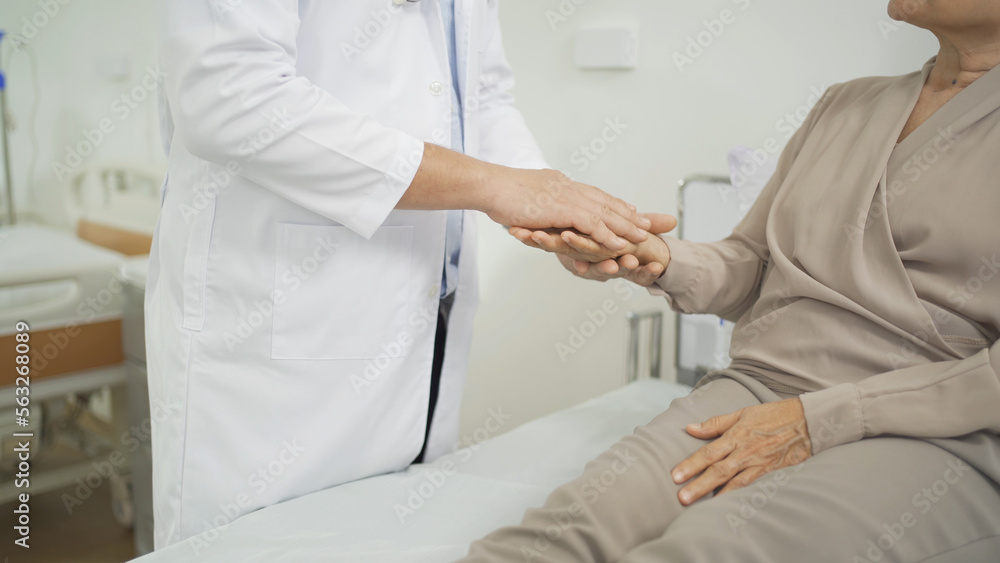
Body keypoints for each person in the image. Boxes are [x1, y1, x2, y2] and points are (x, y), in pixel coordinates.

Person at [464, 1, 1000, 561]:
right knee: (557, 537)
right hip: (759, 388)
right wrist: (657, 257)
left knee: (709, 548)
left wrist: (822, 420)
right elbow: (754, 265)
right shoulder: (847, 105)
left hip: (929, 429)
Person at [147, 0, 655, 549]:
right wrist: (497, 187)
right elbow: (230, 96)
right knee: (253, 547)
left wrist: (554, 207)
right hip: (276, 325)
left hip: (424, 320)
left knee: (398, 534)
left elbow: (482, 96)